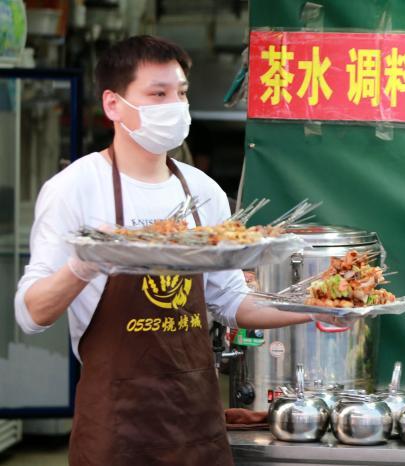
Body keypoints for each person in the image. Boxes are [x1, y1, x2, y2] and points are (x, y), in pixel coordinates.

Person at [14, 35, 351, 466]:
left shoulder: (202, 191)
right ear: (114, 105)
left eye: (182, 93)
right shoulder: (76, 189)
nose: (175, 106)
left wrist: (318, 307)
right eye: (158, 94)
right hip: (116, 426)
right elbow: (30, 314)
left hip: (195, 421)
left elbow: (233, 302)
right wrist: (84, 264)